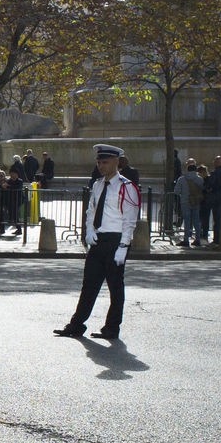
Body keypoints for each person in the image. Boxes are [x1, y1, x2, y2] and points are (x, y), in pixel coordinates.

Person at [55, 144, 139, 341]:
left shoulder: (127, 187)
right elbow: (91, 210)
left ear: (116, 162)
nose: (101, 166)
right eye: (99, 162)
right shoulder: (98, 184)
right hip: (99, 240)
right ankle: (76, 324)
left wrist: (124, 245)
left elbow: (130, 219)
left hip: (116, 240)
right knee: (89, 285)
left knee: (115, 287)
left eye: (105, 162)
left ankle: (112, 327)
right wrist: (90, 230)